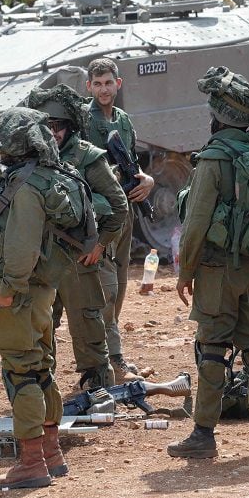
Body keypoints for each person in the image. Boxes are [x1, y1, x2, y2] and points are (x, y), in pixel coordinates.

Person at [170, 67, 249, 458]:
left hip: (219, 272)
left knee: (212, 348)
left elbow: (196, 223)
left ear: (218, 117)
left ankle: (203, 435)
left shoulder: (214, 159)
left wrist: (185, 272)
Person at [0, 107, 82, 490]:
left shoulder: (26, 184)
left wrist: (7, 288)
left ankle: (31, 462)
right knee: (41, 365)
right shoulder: (51, 175)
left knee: (21, 370)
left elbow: (21, 245)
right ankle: (51, 453)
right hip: (43, 288)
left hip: (21, 290)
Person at [24, 84, 128, 389]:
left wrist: (100, 244)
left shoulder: (87, 157)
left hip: (78, 258)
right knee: (40, 324)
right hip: (41, 257)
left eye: (59, 126)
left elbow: (119, 205)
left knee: (87, 324)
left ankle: (97, 384)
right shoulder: (31, 156)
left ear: (70, 127)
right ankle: (43, 384)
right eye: (47, 126)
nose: (53, 133)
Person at [82, 57, 155, 378]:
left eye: (108, 83)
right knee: (106, 289)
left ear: (118, 84)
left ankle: (111, 354)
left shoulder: (123, 120)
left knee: (121, 285)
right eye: (97, 84)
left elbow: (132, 164)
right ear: (89, 87)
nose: (103, 89)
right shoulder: (85, 121)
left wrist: (147, 180)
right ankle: (110, 359)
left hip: (125, 212)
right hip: (102, 216)